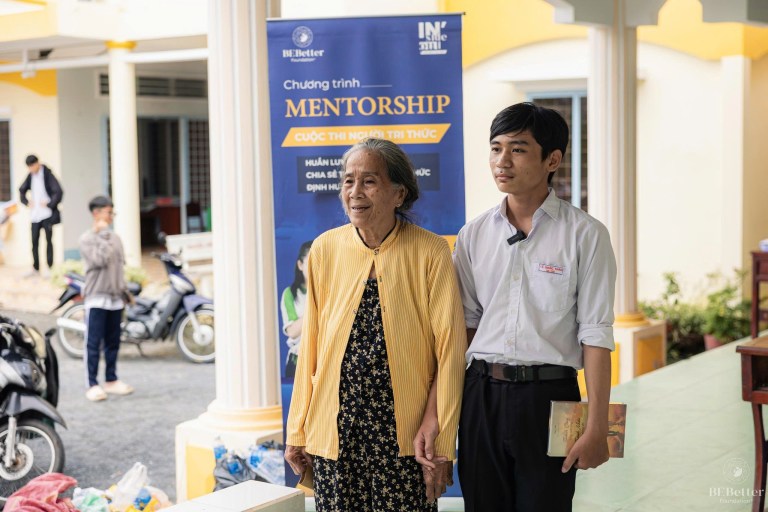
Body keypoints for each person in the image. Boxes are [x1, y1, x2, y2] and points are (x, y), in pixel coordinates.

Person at [284, 138, 466, 511]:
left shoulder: (430, 251)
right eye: (348, 181)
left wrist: (442, 439)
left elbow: (450, 351)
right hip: (336, 433)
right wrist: (298, 429)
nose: (355, 192)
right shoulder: (324, 249)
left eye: (369, 181)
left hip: (406, 436)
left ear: (399, 193)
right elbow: (310, 348)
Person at [453, 102, 617, 511]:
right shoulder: (473, 234)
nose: (502, 161)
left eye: (518, 149)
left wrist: (598, 426)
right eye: (496, 148)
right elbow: (466, 325)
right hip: (481, 396)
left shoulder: (586, 235)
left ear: (552, 160)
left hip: (551, 398)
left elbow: (596, 334)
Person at [79, 195, 134, 402]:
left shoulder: (116, 238)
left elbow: (119, 266)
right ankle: (92, 384)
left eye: (112, 212)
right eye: (109, 212)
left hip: (115, 299)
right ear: (96, 213)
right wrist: (102, 235)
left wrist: (124, 292)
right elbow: (99, 260)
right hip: (97, 297)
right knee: (93, 343)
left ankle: (111, 379)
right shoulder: (87, 239)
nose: (111, 216)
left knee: (113, 342)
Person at [18, 154, 63, 278]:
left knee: (48, 241)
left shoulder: (47, 174)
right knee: (34, 241)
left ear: (38, 163)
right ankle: (36, 268)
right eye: (29, 167)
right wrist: (27, 202)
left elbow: (58, 191)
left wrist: (50, 203)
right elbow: (21, 190)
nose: (31, 168)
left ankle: (49, 267)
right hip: (35, 215)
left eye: (32, 165)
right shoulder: (30, 176)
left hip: (47, 214)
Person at [281, 240, 312, 379]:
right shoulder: (290, 294)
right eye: (310, 262)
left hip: (326, 358)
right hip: (299, 360)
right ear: (300, 265)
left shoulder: (331, 290)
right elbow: (292, 331)